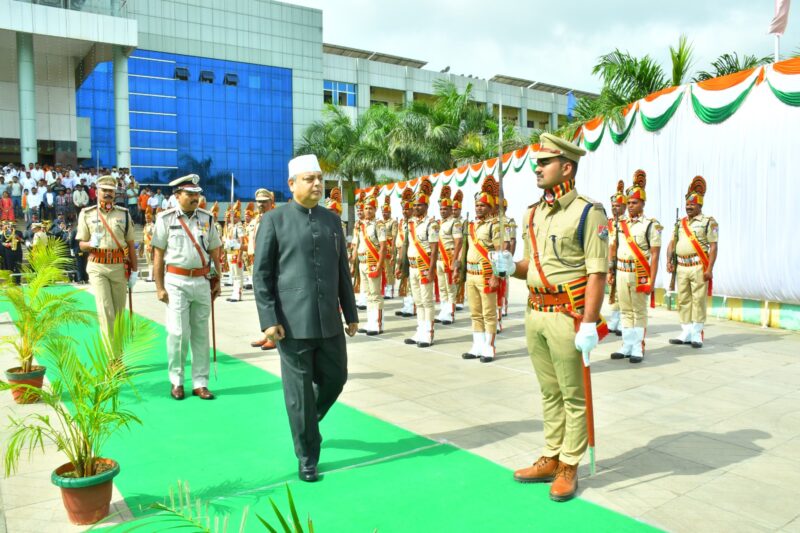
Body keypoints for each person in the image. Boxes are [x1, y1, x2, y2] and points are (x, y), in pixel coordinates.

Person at [499, 133, 608, 502]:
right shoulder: (533, 213)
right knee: (549, 392)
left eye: (545, 163)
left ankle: (569, 465)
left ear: (567, 168)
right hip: (536, 312)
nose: (538, 168)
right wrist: (510, 266)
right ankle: (551, 455)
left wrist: (589, 322)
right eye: (537, 163)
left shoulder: (588, 212)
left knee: (573, 395)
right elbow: (532, 266)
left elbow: (597, 272)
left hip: (567, 314)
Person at [253, 154, 358, 483]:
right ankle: (308, 457)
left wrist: (351, 313)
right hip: (291, 324)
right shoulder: (274, 220)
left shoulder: (332, 221)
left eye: (319, 179)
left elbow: (342, 271)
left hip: (329, 321)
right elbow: (262, 275)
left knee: (336, 378)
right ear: (291, 184)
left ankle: (306, 422)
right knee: (299, 392)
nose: (317, 184)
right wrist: (268, 319)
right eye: (309, 179)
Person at [151, 174, 222, 401]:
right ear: (177, 195)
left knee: (201, 334)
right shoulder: (165, 219)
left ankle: (200, 383)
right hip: (176, 281)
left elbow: (214, 251)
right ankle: (177, 381)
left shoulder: (207, 218)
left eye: (197, 194)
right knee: (177, 333)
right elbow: (158, 255)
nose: (194, 198)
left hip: (201, 281)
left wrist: (218, 279)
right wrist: (159, 286)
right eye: (189, 194)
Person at [76, 175, 138, 339]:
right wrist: (90, 243)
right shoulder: (87, 214)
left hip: (119, 266)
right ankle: (112, 354)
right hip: (98, 266)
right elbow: (81, 244)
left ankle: (119, 350)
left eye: (111, 190)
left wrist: (135, 271)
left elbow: (130, 244)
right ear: (97, 192)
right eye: (104, 190)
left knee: (118, 312)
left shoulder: (124, 214)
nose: (108, 193)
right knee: (105, 311)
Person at [610, 170, 662, 364]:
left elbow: (655, 255)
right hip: (621, 271)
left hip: (639, 273)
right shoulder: (620, 224)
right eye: (629, 203)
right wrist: (611, 271)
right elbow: (614, 248)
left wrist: (652, 281)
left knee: (638, 311)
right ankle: (626, 345)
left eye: (634, 202)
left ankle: (638, 347)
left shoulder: (651, 225)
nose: (630, 206)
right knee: (625, 310)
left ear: (642, 204)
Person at [666, 176, 718, 348]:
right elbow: (672, 243)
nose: (688, 207)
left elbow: (713, 247)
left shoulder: (708, 222)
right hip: (681, 266)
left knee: (698, 300)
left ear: (699, 205)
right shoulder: (680, 223)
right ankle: (686, 331)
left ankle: (696, 333)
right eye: (687, 204)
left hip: (698, 266)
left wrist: (709, 269)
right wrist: (669, 260)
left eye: (692, 205)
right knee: (683, 299)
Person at [458, 176, 501, 362]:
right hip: (470, 274)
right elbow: (465, 248)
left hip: (486, 274)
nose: (479, 208)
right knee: (475, 313)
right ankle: (477, 345)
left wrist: (496, 276)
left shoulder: (495, 225)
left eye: (483, 205)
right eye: (477, 205)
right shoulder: (471, 225)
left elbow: (499, 252)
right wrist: (458, 267)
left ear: (490, 207)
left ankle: (489, 348)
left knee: (488, 313)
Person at [403, 179, 439, 347]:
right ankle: (420, 330)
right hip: (412, 267)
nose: (416, 207)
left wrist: (431, 270)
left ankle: (428, 333)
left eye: (420, 205)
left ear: (426, 206)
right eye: (415, 205)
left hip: (424, 266)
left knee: (427, 301)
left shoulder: (431, 224)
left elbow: (434, 248)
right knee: (418, 301)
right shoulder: (410, 223)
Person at [350, 191, 387, 335]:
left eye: (370, 208)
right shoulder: (360, 225)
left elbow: (383, 247)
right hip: (362, 263)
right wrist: (353, 263)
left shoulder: (379, 225)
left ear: (375, 209)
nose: (368, 211)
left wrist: (379, 265)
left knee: (375, 294)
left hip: (372, 262)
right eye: (366, 208)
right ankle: (370, 322)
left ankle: (377, 324)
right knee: (367, 294)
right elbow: (356, 244)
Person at [248, 188, 278, 351]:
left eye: (264, 201)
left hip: (271, 265)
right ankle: (267, 334)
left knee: (272, 299)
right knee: (262, 300)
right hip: (258, 263)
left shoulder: (276, 218)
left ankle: (274, 337)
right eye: (258, 202)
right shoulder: (257, 220)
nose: (260, 204)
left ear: (271, 202)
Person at [434, 185, 462, 325]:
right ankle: (443, 311)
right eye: (441, 209)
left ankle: (450, 314)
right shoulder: (439, 223)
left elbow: (458, 243)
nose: (443, 211)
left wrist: (455, 262)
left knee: (451, 287)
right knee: (442, 287)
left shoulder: (455, 223)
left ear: (451, 209)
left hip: (449, 258)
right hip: (439, 259)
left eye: (445, 209)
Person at [606, 181, 627, 336]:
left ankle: (622, 321)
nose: (615, 208)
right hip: (609, 261)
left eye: (618, 206)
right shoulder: (608, 222)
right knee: (612, 291)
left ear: (624, 207)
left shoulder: (627, 223)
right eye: (613, 206)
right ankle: (614, 320)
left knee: (622, 292)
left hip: (623, 262)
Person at [394, 187, 415, 317]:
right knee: (404, 281)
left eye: (407, 209)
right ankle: (407, 305)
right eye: (403, 209)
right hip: (401, 254)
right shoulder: (402, 223)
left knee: (412, 283)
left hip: (410, 255)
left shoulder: (414, 223)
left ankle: (412, 307)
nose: (404, 211)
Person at [224, 200, 245, 302]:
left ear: (238, 217)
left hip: (236, 254)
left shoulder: (239, 227)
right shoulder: (230, 227)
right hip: (230, 253)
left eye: (234, 217)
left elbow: (242, 242)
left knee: (237, 274)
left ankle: (238, 294)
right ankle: (234, 293)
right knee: (233, 274)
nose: (231, 218)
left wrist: (240, 256)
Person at [381, 196, 398, 299]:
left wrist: (392, 250)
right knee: (383, 270)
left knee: (389, 270)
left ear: (390, 212)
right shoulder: (380, 222)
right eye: (383, 212)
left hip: (389, 248)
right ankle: (384, 289)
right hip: (382, 249)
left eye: (386, 212)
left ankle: (390, 291)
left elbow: (394, 236)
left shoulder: (393, 222)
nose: (384, 214)